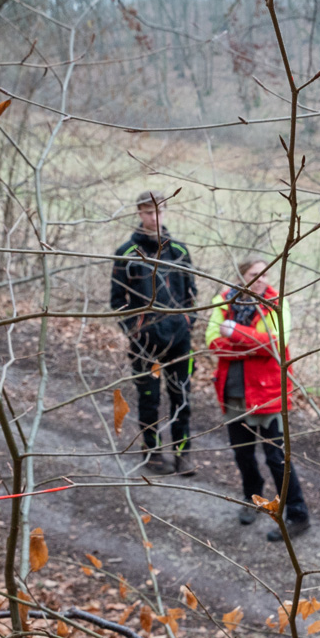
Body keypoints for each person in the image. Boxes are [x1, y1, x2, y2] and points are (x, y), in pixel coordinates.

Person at [205, 260, 311, 540]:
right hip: (232, 393)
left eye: (265, 273)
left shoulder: (276, 302)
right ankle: (253, 501)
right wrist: (253, 345)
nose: (261, 279)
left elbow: (276, 344)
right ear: (241, 277)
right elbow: (213, 342)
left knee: (277, 458)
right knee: (243, 454)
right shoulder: (223, 300)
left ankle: (298, 515)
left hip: (267, 394)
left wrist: (236, 333)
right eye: (254, 275)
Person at [110, 190, 198, 475]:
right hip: (144, 342)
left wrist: (188, 323)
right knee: (149, 399)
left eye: (159, 212)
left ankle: (183, 454)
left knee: (181, 398)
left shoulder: (180, 251)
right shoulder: (125, 253)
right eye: (149, 212)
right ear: (139, 213)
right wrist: (134, 330)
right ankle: (152, 452)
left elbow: (191, 295)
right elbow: (117, 300)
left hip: (179, 341)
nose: (155, 218)